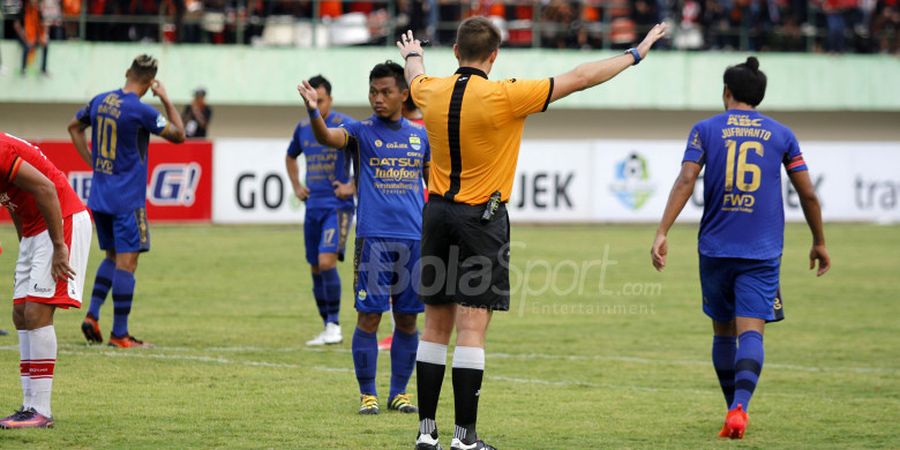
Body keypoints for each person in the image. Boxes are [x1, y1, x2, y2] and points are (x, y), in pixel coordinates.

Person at [396, 17, 667, 450]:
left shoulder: (430, 90)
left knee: (435, 328)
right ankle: (464, 438)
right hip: (481, 220)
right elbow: (579, 78)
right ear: (494, 56)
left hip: (437, 215)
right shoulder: (506, 94)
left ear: (455, 53)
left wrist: (412, 53)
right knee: (471, 329)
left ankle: (425, 433)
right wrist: (635, 54)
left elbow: (415, 76)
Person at [650, 57, 831, 439]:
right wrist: (818, 241)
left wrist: (663, 230)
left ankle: (730, 406)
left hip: (715, 247)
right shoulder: (782, 135)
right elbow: (809, 194)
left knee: (722, 333)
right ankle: (739, 408)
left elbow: (686, 179)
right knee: (752, 332)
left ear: (726, 93)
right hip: (761, 250)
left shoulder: (704, 129)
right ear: (758, 96)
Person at [297, 61, 430, 416]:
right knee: (369, 318)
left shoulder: (421, 136)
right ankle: (368, 393)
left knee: (407, 320)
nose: (378, 98)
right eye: (373, 92)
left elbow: (434, 182)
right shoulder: (359, 131)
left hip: (414, 241)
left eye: (386, 91)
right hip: (373, 240)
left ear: (404, 94)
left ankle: (399, 392)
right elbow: (328, 137)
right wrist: (313, 112)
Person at [67, 54, 186, 348]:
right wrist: (167, 99)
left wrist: (93, 162)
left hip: (100, 195)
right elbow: (179, 134)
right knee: (127, 262)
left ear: (126, 73)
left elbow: (73, 127)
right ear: (148, 84)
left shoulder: (99, 101)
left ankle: (92, 315)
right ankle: (119, 334)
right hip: (127, 199)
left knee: (110, 256)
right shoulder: (141, 111)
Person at [0, 132, 92, 429]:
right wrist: (25, 245)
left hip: (60, 219)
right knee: (20, 313)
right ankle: (28, 406)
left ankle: (41, 409)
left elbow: (47, 188)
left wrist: (58, 246)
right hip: (34, 230)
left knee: (37, 311)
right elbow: (13, 204)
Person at [285, 75, 356, 346]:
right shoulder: (303, 127)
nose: (315, 103)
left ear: (331, 100)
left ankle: (335, 324)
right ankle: (327, 324)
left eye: (321, 100)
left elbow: (368, 156)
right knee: (315, 266)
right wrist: (296, 184)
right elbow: (290, 155)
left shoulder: (345, 125)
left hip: (337, 207)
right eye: (310, 99)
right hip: (312, 206)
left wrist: (352, 185)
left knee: (326, 262)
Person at [13, 0, 49, 75]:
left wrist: (44, 36)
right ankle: (23, 69)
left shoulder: (38, 10)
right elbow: (16, 26)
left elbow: (44, 24)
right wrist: (25, 37)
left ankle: (43, 69)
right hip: (24, 36)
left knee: (45, 45)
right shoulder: (23, 10)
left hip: (35, 36)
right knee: (27, 46)